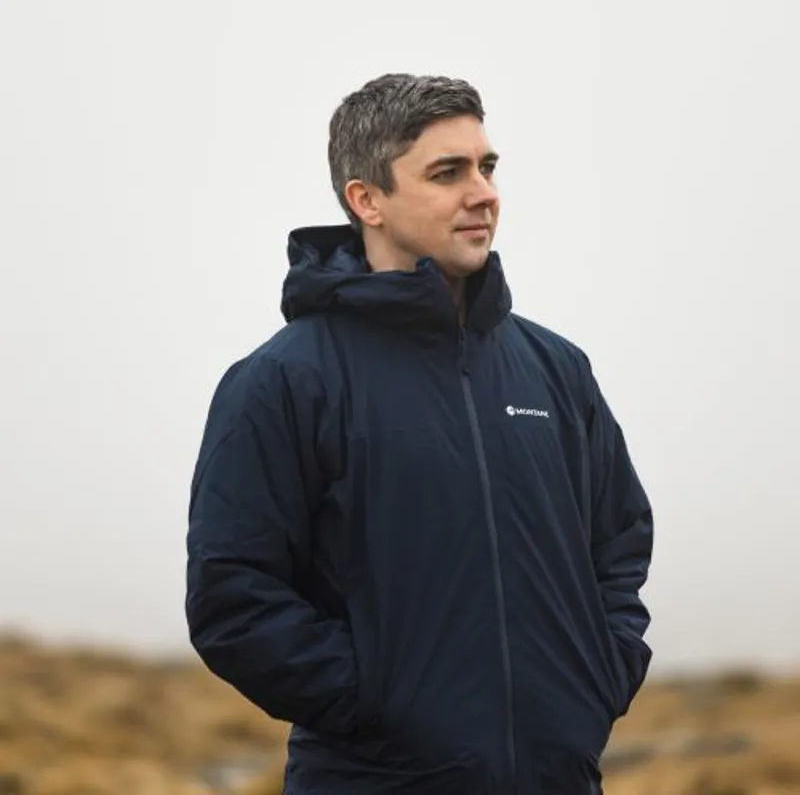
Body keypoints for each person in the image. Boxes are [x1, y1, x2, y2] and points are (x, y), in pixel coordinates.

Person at [185, 73, 654, 795]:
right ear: (366, 199)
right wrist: (375, 704)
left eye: (487, 167)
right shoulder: (285, 381)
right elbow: (233, 596)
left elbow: (619, 544)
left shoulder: (555, 371)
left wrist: (597, 679)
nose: (483, 193)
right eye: (447, 173)